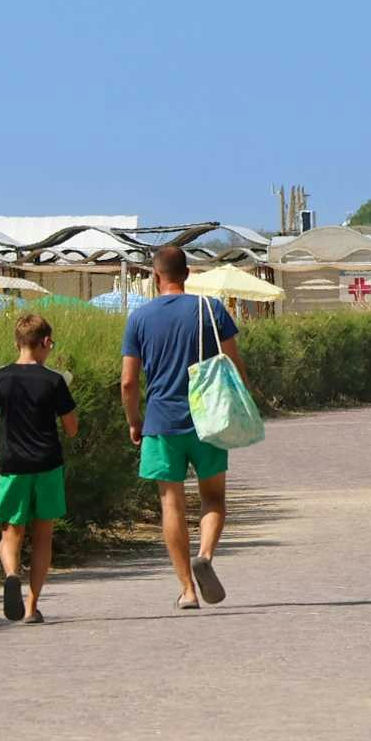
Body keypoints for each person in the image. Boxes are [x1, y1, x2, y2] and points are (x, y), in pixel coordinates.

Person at [120, 244, 247, 610]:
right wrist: (243, 404)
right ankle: (204, 555)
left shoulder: (139, 318)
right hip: (210, 419)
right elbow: (234, 365)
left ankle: (188, 590)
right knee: (214, 498)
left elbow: (128, 382)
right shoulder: (211, 309)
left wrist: (134, 421)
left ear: (154, 276)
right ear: (188, 273)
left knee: (171, 504)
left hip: (161, 421)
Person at [0, 313, 80, 625]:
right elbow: (72, 428)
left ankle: (12, 574)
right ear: (46, 342)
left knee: (11, 532)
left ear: (17, 343)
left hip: (13, 465)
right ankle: (31, 607)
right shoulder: (54, 380)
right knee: (43, 536)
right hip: (47, 464)